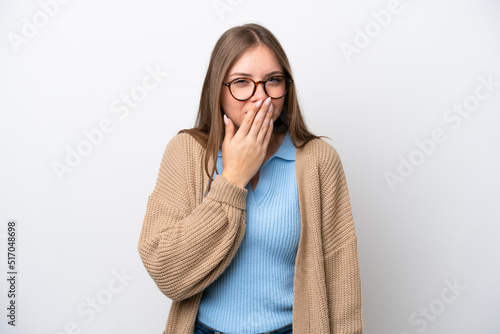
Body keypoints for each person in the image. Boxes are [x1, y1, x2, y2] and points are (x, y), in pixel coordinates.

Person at [138, 23, 363, 334]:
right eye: (242, 82)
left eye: (273, 81)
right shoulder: (186, 153)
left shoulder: (318, 160)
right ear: (216, 89)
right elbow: (168, 273)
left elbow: (341, 277)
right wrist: (232, 179)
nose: (261, 98)